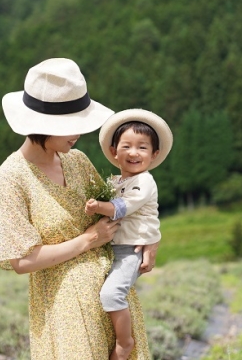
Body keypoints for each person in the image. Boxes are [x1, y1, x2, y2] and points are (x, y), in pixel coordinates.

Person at [0, 58, 156, 360]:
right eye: (71, 125)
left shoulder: (77, 160)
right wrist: (89, 240)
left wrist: (148, 239)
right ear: (42, 124)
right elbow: (21, 261)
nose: (78, 133)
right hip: (64, 310)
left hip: (111, 300)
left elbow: (121, 207)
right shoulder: (12, 177)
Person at [85, 109, 172, 360]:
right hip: (114, 249)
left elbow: (122, 208)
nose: (134, 153)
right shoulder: (115, 181)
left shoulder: (143, 182)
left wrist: (97, 207)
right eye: (127, 146)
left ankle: (125, 342)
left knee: (112, 294)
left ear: (154, 155)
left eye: (142, 148)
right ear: (114, 151)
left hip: (131, 251)